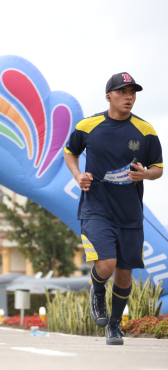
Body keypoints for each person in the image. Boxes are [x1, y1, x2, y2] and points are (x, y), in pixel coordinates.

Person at [64, 72, 163, 345]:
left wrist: (145, 174)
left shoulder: (146, 130)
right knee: (105, 264)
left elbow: (158, 168)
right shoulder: (88, 125)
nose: (129, 97)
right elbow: (69, 151)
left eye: (132, 92)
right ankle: (97, 292)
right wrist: (77, 175)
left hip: (130, 213)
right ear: (109, 96)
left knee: (124, 272)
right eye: (122, 92)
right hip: (96, 208)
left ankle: (115, 325)